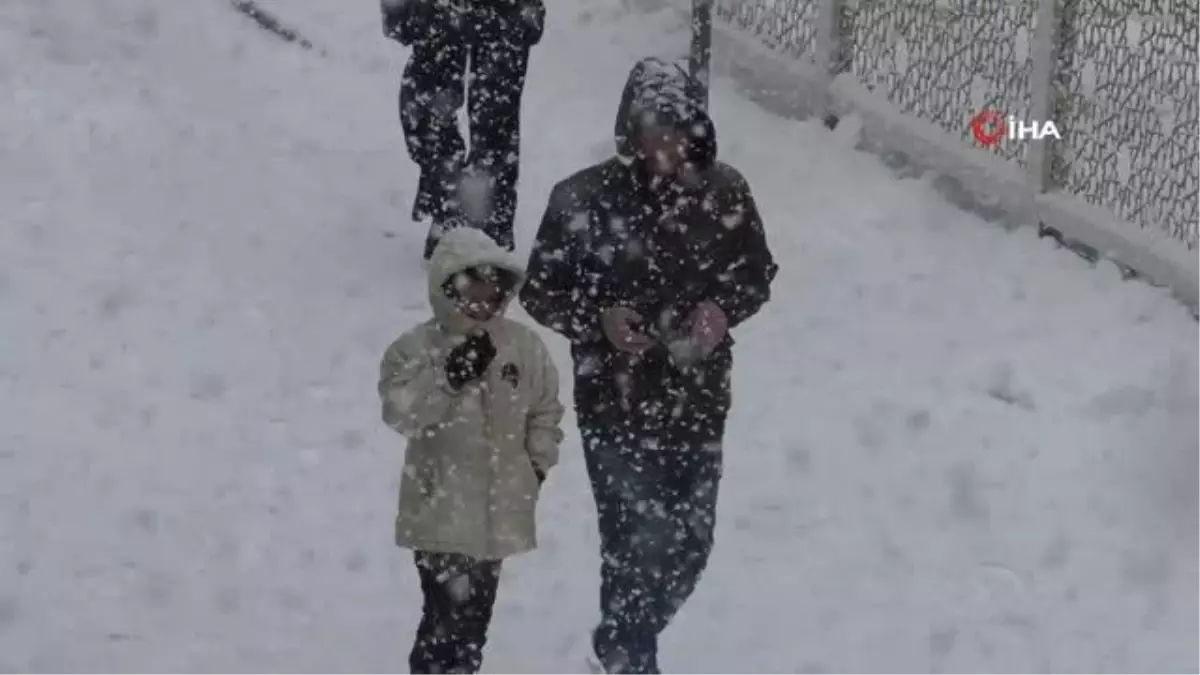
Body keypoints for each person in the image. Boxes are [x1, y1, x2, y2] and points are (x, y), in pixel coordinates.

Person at [518, 57, 778, 674]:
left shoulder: (726, 192)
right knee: (637, 538)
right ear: (629, 133)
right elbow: (540, 289)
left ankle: (622, 639)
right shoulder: (580, 198)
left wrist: (721, 309)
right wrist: (599, 318)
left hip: (699, 396)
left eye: (677, 131)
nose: (665, 145)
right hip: (614, 397)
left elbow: (756, 272)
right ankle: (631, 659)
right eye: (652, 131)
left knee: (690, 543)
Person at [378, 226, 565, 675]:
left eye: (493, 297)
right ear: (446, 291)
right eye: (471, 295)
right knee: (444, 621)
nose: (484, 307)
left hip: (499, 514)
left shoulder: (522, 347)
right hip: (439, 511)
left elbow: (545, 410)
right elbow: (401, 413)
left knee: (475, 625)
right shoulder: (415, 349)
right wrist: (447, 377)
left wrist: (536, 466)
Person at [381, 0, 545, 258]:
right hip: (436, 9)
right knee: (424, 109)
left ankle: (488, 228)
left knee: (494, 122)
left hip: (506, 12)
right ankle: (448, 203)